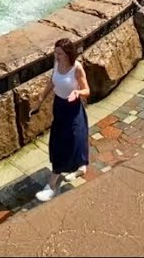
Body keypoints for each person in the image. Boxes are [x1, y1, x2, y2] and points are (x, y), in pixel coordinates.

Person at [31, 38, 91, 202]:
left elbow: (87, 90)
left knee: (73, 140)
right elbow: (52, 82)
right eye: (55, 53)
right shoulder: (57, 63)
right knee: (59, 143)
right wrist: (40, 100)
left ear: (68, 53)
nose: (56, 56)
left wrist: (77, 93)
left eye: (60, 53)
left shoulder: (76, 68)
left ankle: (52, 184)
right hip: (59, 107)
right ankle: (78, 168)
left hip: (73, 108)